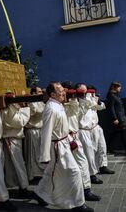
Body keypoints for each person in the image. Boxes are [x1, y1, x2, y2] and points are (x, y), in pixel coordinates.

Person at [35, 82, 93, 212]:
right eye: (60, 90)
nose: (64, 92)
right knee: (74, 172)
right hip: (57, 147)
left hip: (64, 143)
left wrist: (70, 140)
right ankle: (78, 204)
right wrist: (45, 155)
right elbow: (46, 132)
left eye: (63, 89)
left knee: (51, 172)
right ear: (52, 94)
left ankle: (39, 193)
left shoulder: (58, 104)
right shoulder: (51, 108)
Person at [62, 83, 101, 202]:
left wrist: (87, 97)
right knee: (75, 165)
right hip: (66, 138)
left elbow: (87, 107)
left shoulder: (75, 102)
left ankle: (86, 189)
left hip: (73, 135)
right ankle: (84, 191)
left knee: (81, 163)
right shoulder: (58, 106)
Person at [1, 95, 33, 198]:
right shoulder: (8, 110)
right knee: (17, 165)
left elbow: (21, 120)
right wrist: (23, 108)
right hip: (11, 138)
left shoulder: (15, 109)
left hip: (15, 139)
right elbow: (19, 122)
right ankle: (23, 187)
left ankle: (21, 186)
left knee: (16, 165)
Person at [106, 81, 126, 155]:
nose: (120, 88)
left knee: (116, 133)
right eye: (119, 87)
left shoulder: (116, 95)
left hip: (121, 117)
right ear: (115, 87)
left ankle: (108, 148)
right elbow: (111, 107)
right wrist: (115, 118)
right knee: (122, 134)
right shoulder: (111, 96)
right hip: (118, 118)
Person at [24, 86, 45, 182]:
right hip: (32, 130)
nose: (41, 93)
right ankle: (33, 175)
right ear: (33, 94)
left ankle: (40, 174)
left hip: (40, 130)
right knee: (32, 154)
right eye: (39, 92)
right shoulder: (31, 103)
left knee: (39, 154)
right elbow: (35, 112)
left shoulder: (42, 102)